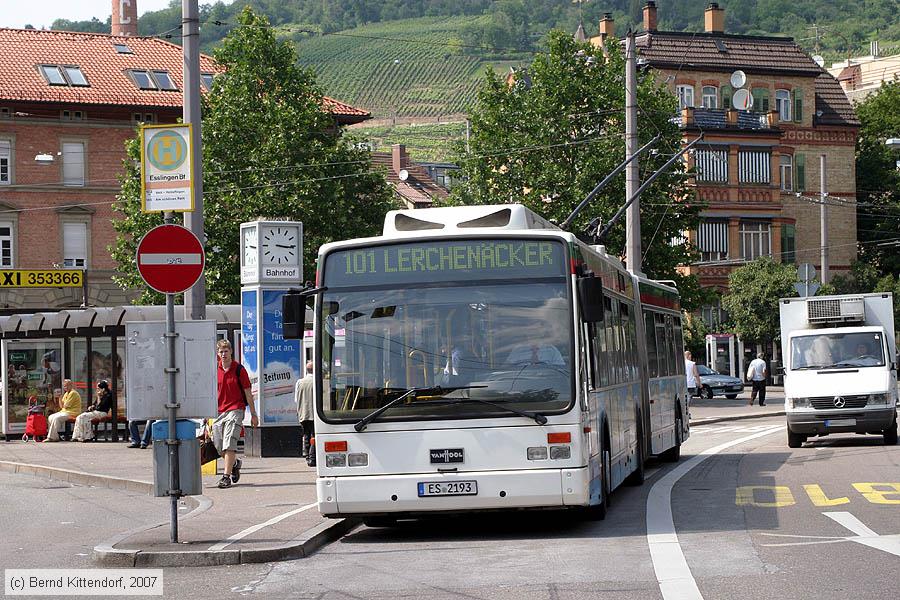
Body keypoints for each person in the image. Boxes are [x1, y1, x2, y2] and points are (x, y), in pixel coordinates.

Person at [213, 339, 257, 489]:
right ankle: (235, 463)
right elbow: (209, 394)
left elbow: (248, 393)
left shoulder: (239, 370)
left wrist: (253, 414)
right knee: (219, 446)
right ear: (217, 354)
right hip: (219, 412)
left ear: (231, 351)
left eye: (226, 351)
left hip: (236, 409)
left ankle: (226, 477)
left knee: (229, 442)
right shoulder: (214, 370)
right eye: (221, 352)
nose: (223, 354)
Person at [295, 360, 315, 458]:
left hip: (303, 413)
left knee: (306, 434)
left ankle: (307, 453)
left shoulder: (299, 382)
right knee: (314, 435)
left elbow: (296, 399)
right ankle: (312, 455)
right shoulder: (316, 382)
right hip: (314, 414)